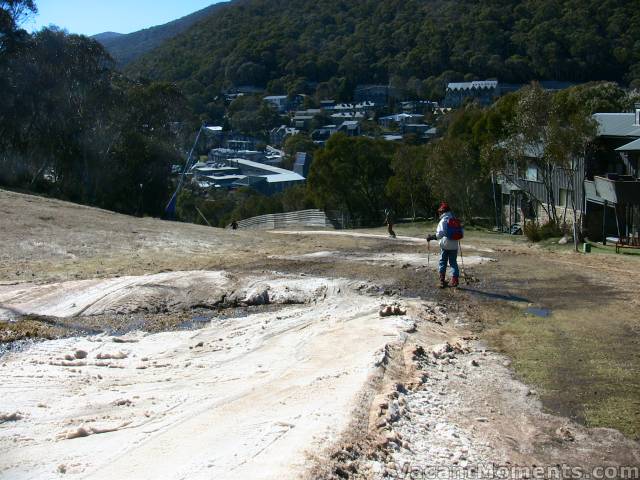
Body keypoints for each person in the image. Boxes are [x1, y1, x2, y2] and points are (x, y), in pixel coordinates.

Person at [427, 202, 461, 288]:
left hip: (445, 245)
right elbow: (461, 233)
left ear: (442, 211)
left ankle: (442, 281)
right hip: (454, 245)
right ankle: (455, 280)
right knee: (453, 262)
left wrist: (431, 237)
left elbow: (440, 234)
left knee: (443, 262)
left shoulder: (443, 220)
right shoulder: (454, 219)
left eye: (439, 211)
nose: (439, 213)